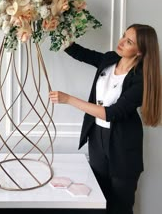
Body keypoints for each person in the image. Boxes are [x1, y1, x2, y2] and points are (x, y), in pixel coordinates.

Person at [49, 23, 162, 214]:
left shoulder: (141, 79)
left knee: (120, 207)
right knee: (96, 201)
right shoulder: (110, 59)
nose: (121, 42)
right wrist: (55, 28)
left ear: (141, 51)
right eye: (123, 36)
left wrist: (68, 99)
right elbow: (78, 52)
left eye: (129, 41)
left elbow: (111, 113)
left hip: (123, 146)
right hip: (97, 140)